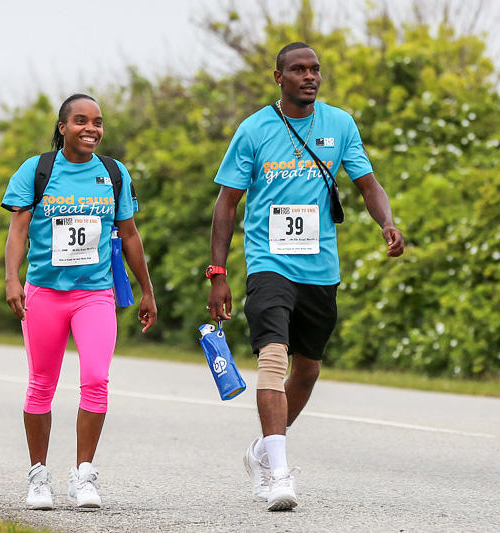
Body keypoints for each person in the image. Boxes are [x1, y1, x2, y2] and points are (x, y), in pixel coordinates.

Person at [206, 42, 404, 511]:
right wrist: (218, 272)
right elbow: (227, 203)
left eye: (315, 69)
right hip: (269, 264)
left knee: (309, 369)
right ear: (279, 78)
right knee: (273, 358)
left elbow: (368, 184)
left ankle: (261, 450)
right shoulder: (254, 130)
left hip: (320, 268)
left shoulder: (340, 124)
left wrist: (387, 222)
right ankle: (279, 474)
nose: (309, 76)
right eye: (298, 69)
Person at [1, 94, 157, 510]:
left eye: (97, 122)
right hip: (45, 294)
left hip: (95, 295)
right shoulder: (37, 171)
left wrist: (147, 289)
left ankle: (83, 475)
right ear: (63, 127)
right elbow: (18, 231)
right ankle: (38, 477)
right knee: (41, 384)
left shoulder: (113, 173)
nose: (91, 129)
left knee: (96, 379)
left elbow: (129, 234)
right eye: (81, 121)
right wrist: (12, 279)